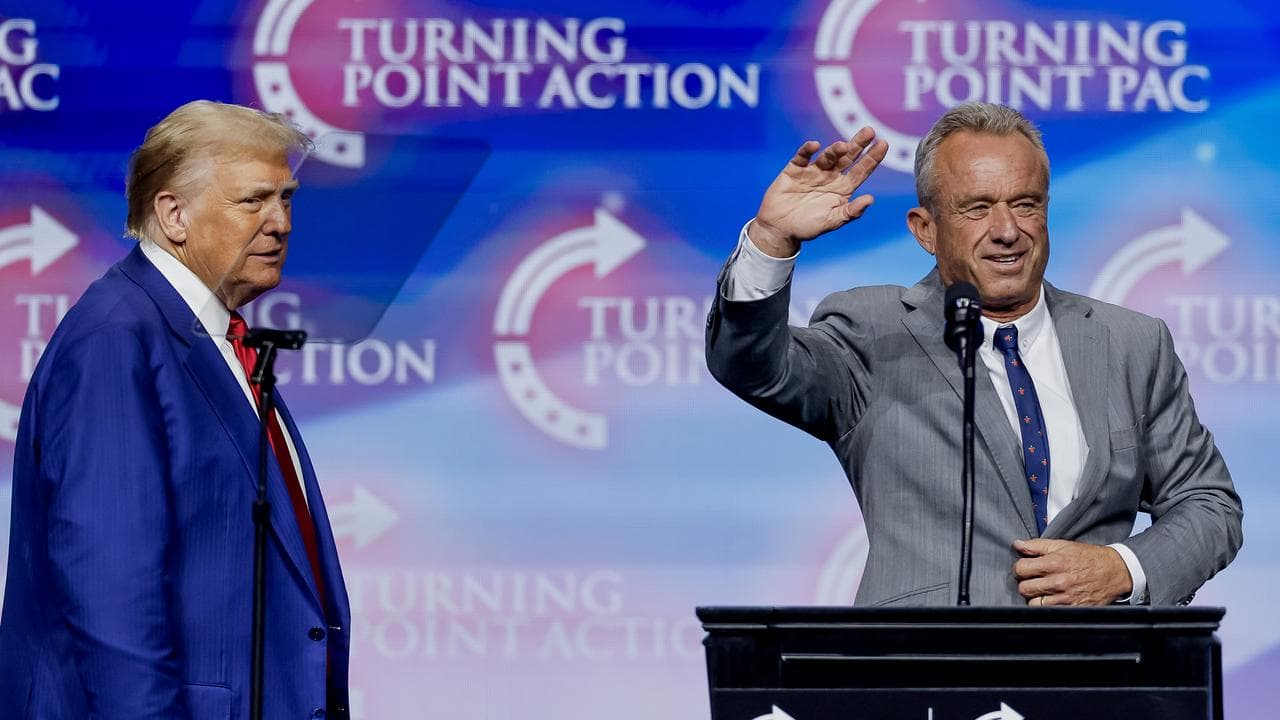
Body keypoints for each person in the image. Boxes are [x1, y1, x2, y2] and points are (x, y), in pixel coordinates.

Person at [706, 102, 1242, 607]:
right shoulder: (872, 331)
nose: (1007, 231)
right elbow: (753, 366)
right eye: (978, 208)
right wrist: (771, 241)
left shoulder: (1130, 343)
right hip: (924, 679)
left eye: (1025, 205)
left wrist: (1122, 568)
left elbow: (1209, 504)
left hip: (1099, 673)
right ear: (926, 229)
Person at [0, 101, 351, 718]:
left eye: (286, 199)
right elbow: (110, 588)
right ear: (173, 214)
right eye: (253, 201)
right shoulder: (116, 339)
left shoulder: (206, 337)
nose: (280, 223)